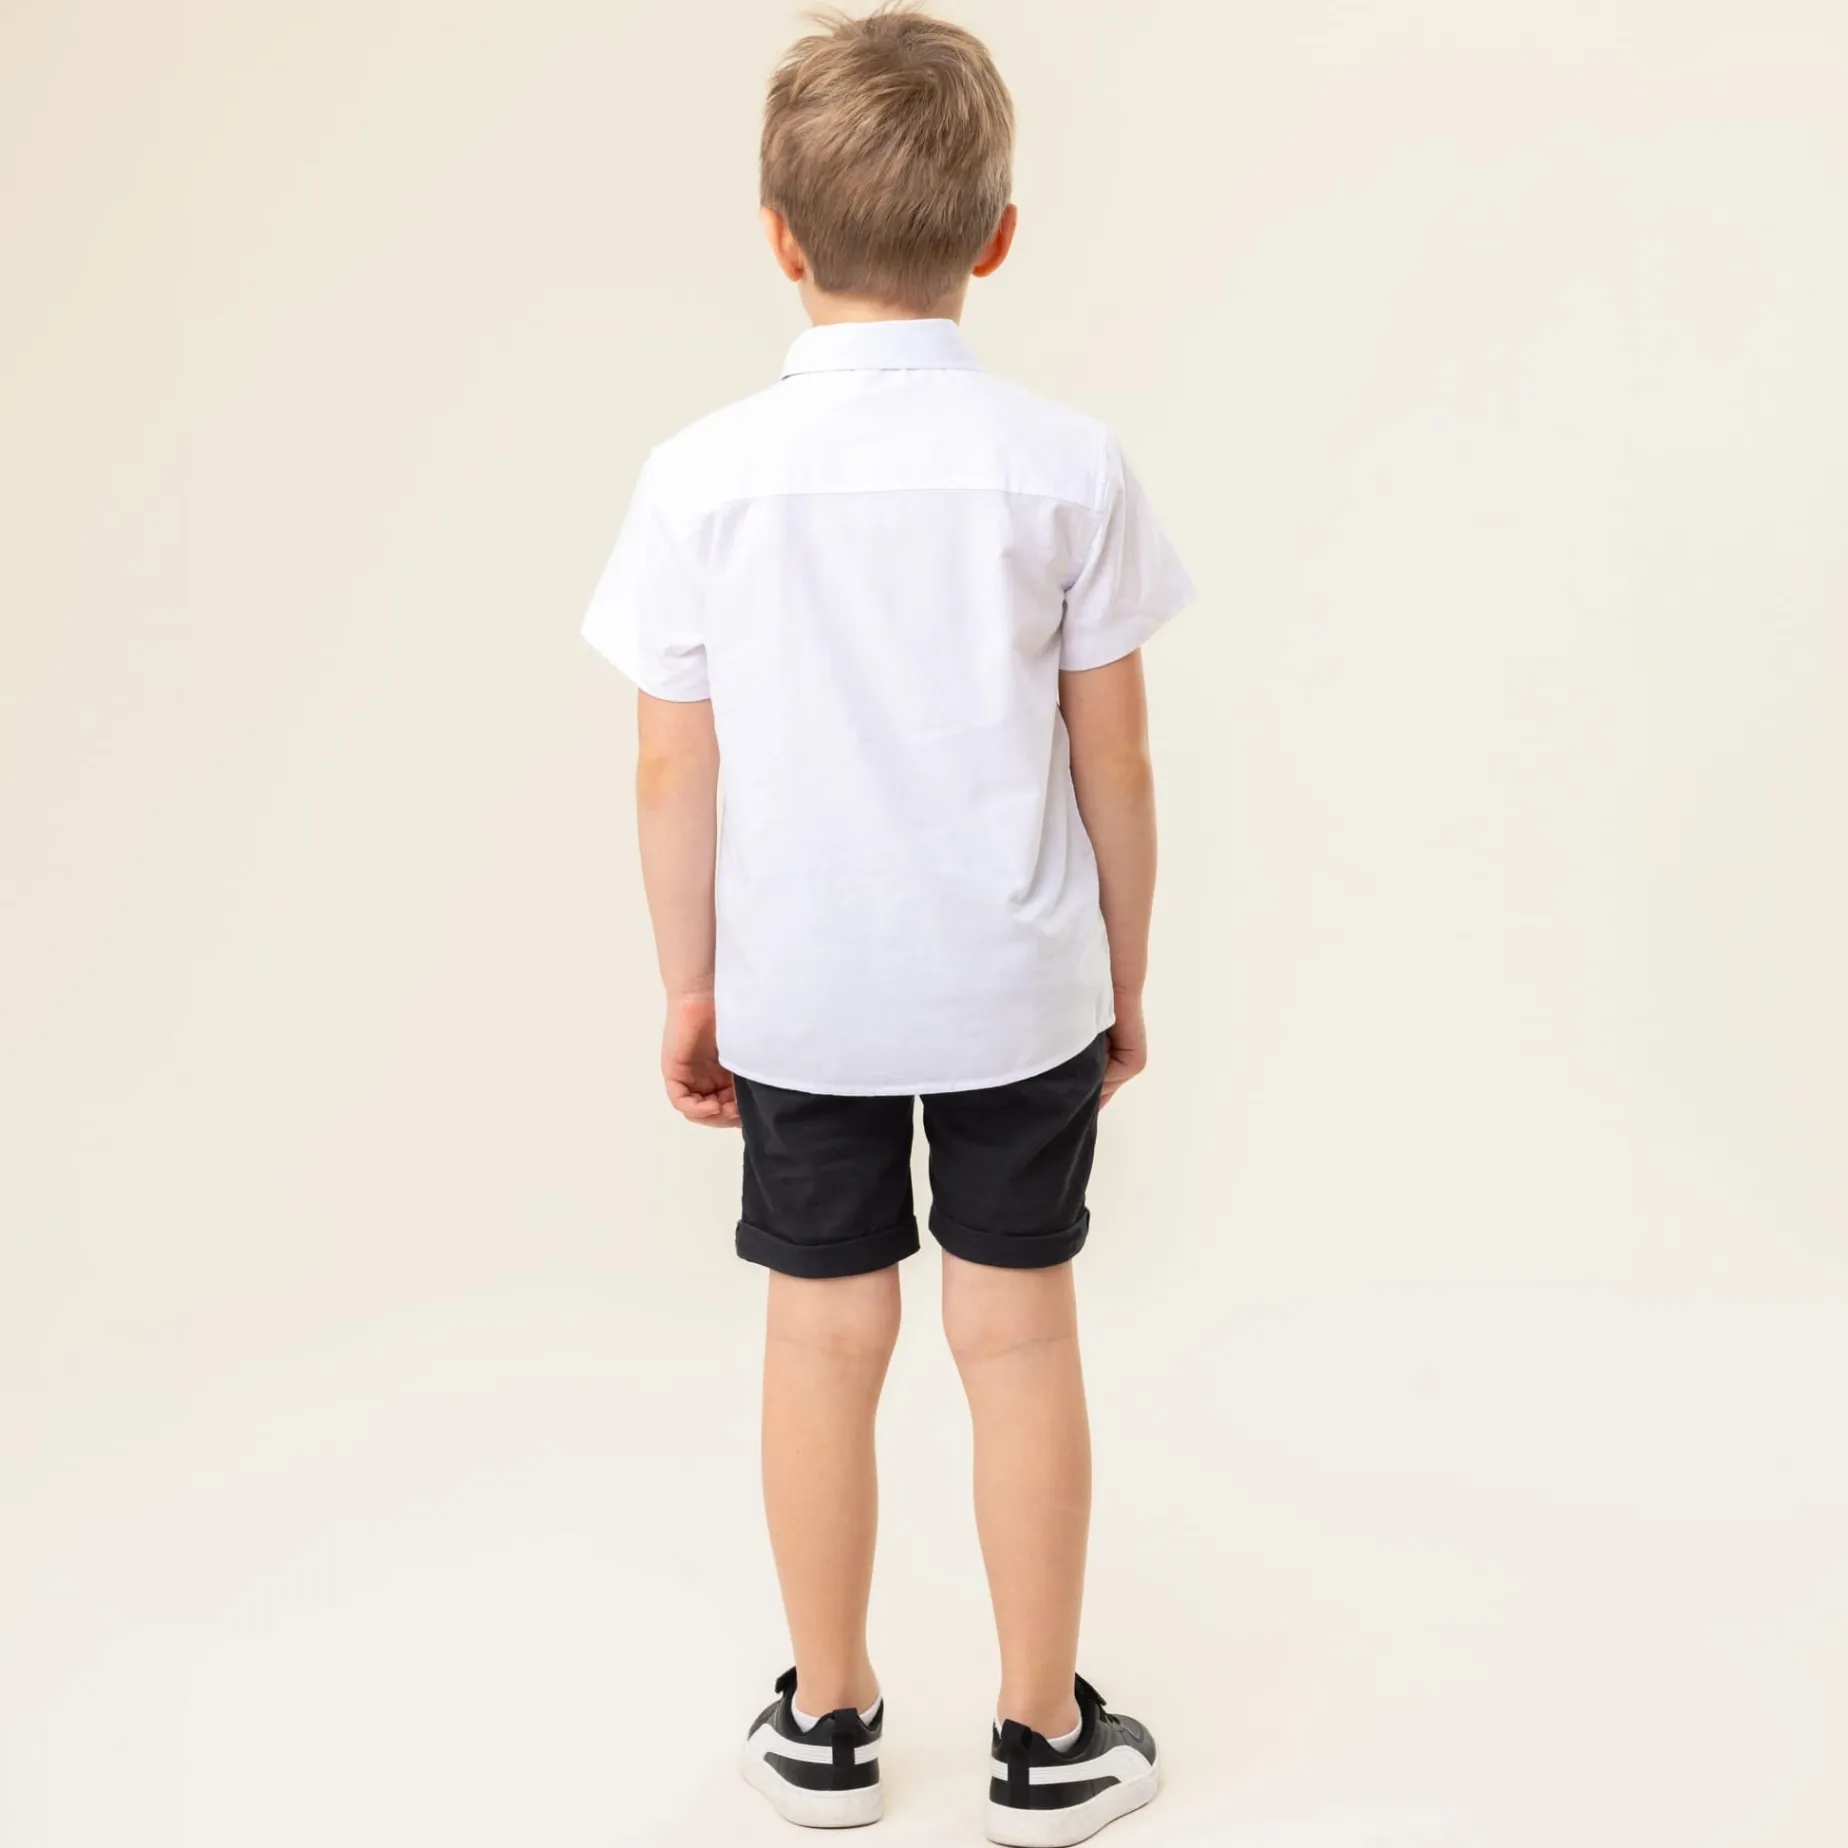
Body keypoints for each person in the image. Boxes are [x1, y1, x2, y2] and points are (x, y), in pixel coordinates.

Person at [580, 8, 1194, 1841]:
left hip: (804, 993)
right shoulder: (1066, 465)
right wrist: (1122, 971)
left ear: (779, 234)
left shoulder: (699, 477)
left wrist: (689, 983)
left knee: (819, 1344)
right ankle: (1041, 1733)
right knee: (1020, 1343)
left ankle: (831, 1719)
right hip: (1015, 984)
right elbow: (1117, 754)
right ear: (997, 235)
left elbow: (670, 767)